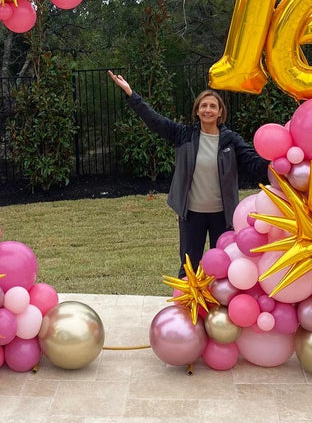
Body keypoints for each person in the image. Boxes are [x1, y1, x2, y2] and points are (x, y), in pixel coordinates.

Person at [108, 71, 270, 277]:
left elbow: (253, 162)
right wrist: (131, 94)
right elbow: (155, 120)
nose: (208, 110)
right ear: (197, 111)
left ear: (220, 112)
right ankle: (186, 307)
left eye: (213, 106)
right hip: (191, 214)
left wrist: (275, 165)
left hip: (223, 215)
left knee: (223, 267)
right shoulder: (184, 135)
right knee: (188, 267)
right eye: (204, 106)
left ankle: (220, 308)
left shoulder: (231, 140)